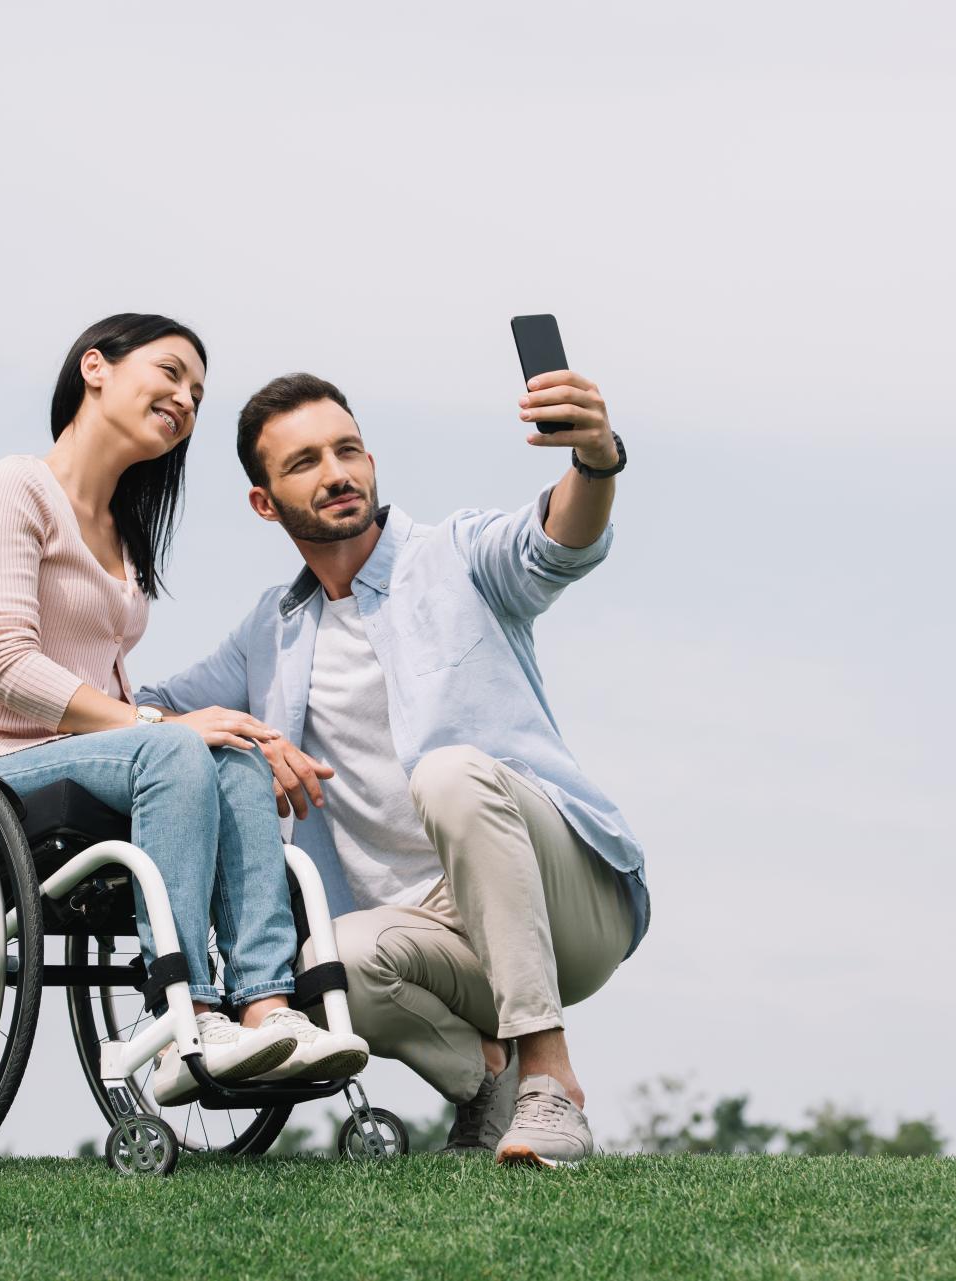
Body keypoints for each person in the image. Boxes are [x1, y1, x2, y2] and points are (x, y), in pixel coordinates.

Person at [134, 365, 645, 1166]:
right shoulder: (270, 632)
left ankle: (553, 1080)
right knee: (319, 967)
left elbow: (557, 541)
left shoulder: (457, 553)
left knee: (447, 774)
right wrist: (236, 730)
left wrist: (594, 461)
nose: (338, 473)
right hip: (438, 944)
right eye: (305, 462)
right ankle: (490, 1086)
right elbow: (150, 705)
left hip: (565, 904)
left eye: (349, 450)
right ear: (265, 502)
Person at [0, 313, 367, 1104]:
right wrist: (163, 727)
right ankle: (185, 1011)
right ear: (95, 367)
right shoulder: (12, 489)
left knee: (229, 751)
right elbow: (1, 665)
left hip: (86, 760)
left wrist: (232, 731)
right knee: (178, 747)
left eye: (196, 391)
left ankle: (264, 1005)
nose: (185, 398)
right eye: (169, 373)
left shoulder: (125, 533)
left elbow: (122, 696)